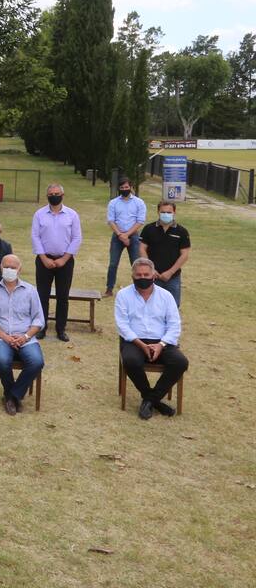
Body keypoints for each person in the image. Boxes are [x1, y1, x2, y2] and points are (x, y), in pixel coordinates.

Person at [116, 258, 189, 420]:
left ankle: (150, 400)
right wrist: (141, 345)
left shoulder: (166, 296)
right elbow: (122, 325)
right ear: (132, 276)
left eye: (146, 274)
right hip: (135, 341)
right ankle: (155, 401)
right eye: (139, 275)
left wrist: (161, 345)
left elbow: (174, 325)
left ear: (153, 275)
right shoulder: (123, 295)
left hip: (162, 341)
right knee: (130, 361)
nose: (142, 277)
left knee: (180, 362)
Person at [0, 254, 45, 415]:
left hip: (25, 338)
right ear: (0, 267)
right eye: (6, 267)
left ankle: (12, 396)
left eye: (13, 267)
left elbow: (38, 320)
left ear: (19, 269)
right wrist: (5, 337)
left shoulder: (30, 291)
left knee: (36, 362)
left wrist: (25, 337)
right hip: (0, 337)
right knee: (2, 360)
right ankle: (12, 396)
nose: (9, 270)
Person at [30, 182, 82, 341]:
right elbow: (35, 236)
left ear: (62, 195)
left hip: (65, 261)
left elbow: (77, 238)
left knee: (63, 296)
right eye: (51, 194)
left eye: (57, 194)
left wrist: (64, 259)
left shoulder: (72, 215)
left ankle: (61, 329)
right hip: (43, 260)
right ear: (47, 196)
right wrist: (44, 258)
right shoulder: (39, 214)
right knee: (42, 295)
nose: (54, 196)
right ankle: (41, 327)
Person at [139, 201, 191, 307]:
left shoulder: (182, 232)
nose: (166, 214)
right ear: (158, 212)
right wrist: (151, 269)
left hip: (173, 277)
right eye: (163, 212)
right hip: (153, 276)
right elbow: (142, 249)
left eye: (169, 212)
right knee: (151, 306)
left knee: (173, 307)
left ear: (174, 212)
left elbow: (185, 255)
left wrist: (170, 272)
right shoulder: (149, 229)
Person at [105, 176, 146, 297]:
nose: (124, 189)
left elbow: (140, 221)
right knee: (113, 264)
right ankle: (109, 289)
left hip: (133, 236)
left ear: (131, 187)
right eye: (122, 187)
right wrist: (120, 235)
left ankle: (139, 288)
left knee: (136, 264)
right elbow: (111, 220)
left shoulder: (139, 202)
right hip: (117, 236)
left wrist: (127, 235)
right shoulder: (113, 203)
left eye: (126, 187)